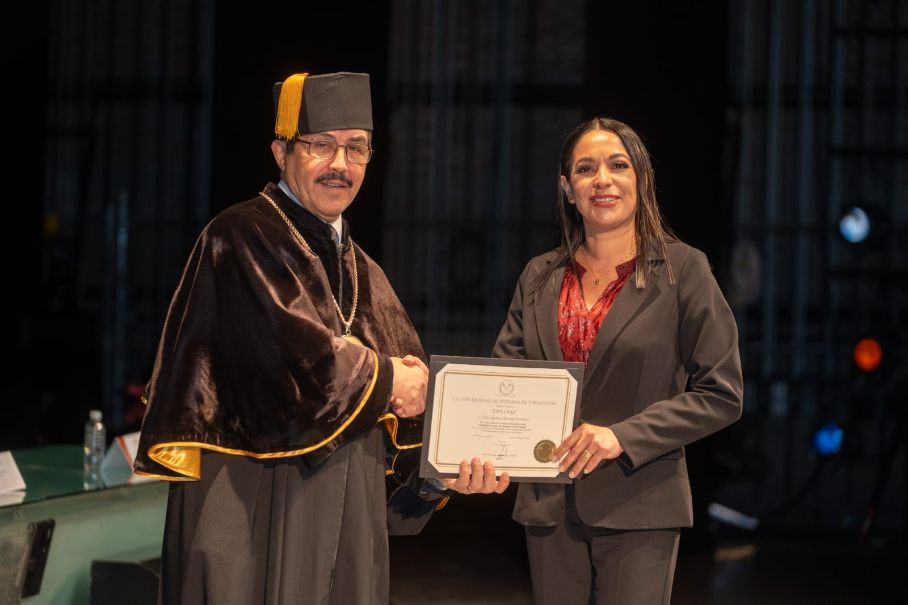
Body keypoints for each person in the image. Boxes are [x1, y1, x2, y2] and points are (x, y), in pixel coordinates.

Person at [134, 71, 507, 605]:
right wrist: (389, 378)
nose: (341, 164)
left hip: (347, 521)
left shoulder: (366, 272)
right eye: (321, 145)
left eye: (357, 148)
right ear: (280, 152)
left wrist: (443, 472)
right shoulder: (238, 237)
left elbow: (406, 424)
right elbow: (296, 364)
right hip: (250, 508)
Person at [492, 117, 743, 605]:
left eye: (618, 165)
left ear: (641, 179)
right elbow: (505, 382)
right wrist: (477, 451)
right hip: (548, 506)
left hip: (641, 501)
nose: (602, 180)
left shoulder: (684, 270)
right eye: (586, 169)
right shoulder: (538, 276)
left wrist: (622, 436)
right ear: (568, 188)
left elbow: (722, 394)